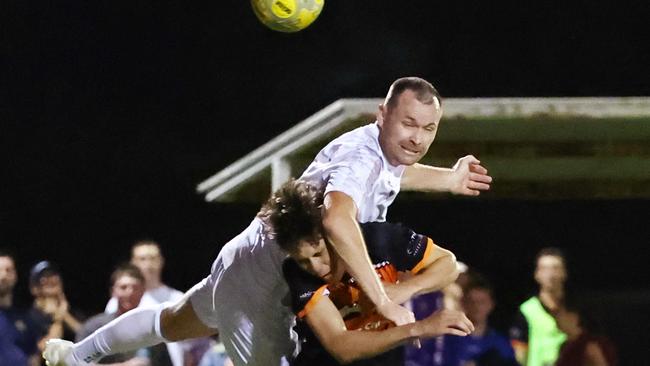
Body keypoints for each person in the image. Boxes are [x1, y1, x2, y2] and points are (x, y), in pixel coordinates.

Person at [44, 76, 492, 366]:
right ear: (382, 115)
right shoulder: (360, 158)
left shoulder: (379, 150)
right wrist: (385, 300)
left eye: (429, 128)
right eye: (408, 123)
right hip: (265, 279)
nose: (417, 138)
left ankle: (75, 356)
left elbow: (397, 168)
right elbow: (337, 218)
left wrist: (448, 179)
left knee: (174, 321)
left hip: (252, 255)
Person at [264, 179, 472, 365]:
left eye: (319, 254)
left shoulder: (377, 239)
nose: (316, 268)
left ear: (333, 235)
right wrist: (418, 328)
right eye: (303, 261)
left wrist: (406, 290)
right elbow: (341, 346)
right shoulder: (297, 274)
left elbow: (448, 264)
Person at [104, 241, 186, 366]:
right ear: (133, 263)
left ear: (161, 261)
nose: (148, 264)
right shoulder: (118, 301)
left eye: (153, 258)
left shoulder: (178, 298)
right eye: (142, 259)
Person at [75, 263, 172, 365]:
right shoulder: (95, 327)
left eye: (135, 287)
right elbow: (77, 362)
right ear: (113, 291)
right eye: (123, 287)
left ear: (143, 291)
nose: (130, 292)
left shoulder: (152, 328)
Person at [442, 273, 516, 366]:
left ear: (491, 304)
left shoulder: (500, 343)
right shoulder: (450, 338)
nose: (476, 307)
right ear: (464, 303)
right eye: (472, 302)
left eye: (482, 302)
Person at [509, 247, 568, 366]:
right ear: (537, 274)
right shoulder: (526, 310)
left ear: (564, 273)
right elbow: (519, 355)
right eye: (545, 269)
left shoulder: (575, 309)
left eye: (555, 268)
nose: (551, 275)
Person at [29, 261, 83, 354]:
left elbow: (88, 337)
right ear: (34, 288)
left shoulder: (73, 312)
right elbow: (46, 350)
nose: (50, 280)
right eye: (44, 277)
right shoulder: (30, 317)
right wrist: (58, 320)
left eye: (53, 275)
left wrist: (64, 315)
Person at [1, 250, 43, 366]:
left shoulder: (26, 318)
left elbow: (33, 357)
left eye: (8, 270)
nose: (3, 275)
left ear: (15, 276)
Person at [553, 296, 617, 366]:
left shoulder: (590, 346)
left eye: (560, 313)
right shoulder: (565, 347)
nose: (556, 317)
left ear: (574, 317)